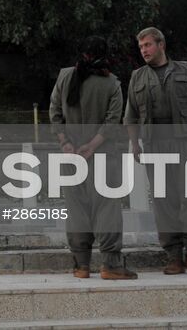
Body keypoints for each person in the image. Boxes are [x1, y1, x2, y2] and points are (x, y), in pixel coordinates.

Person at [122, 25, 187, 274]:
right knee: (163, 200)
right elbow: (130, 117)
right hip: (155, 146)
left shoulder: (186, 70)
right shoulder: (137, 77)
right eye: (140, 47)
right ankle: (173, 255)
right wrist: (135, 144)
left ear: (161, 45)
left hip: (186, 143)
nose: (144, 51)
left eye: (148, 45)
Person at [49, 35, 136, 280]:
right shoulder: (111, 83)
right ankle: (111, 265)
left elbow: (54, 112)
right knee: (106, 208)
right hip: (102, 156)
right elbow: (112, 121)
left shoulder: (65, 77)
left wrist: (65, 143)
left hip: (70, 156)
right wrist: (92, 145)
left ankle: (81, 265)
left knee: (76, 209)